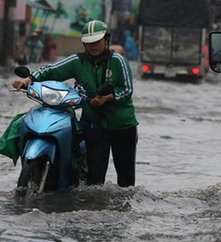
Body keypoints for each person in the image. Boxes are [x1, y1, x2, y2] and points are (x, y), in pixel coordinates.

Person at [12, 20, 139, 187]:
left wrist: (107, 98)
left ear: (106, 40)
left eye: (96, 41)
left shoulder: (118, 62)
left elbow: (127, 89)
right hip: (94, 124)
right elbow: (52, 69)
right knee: (94, 179)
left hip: (122, 125)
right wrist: (28, 80)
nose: (92, 46)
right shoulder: (77, 61)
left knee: (126, 180)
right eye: (88, 42)